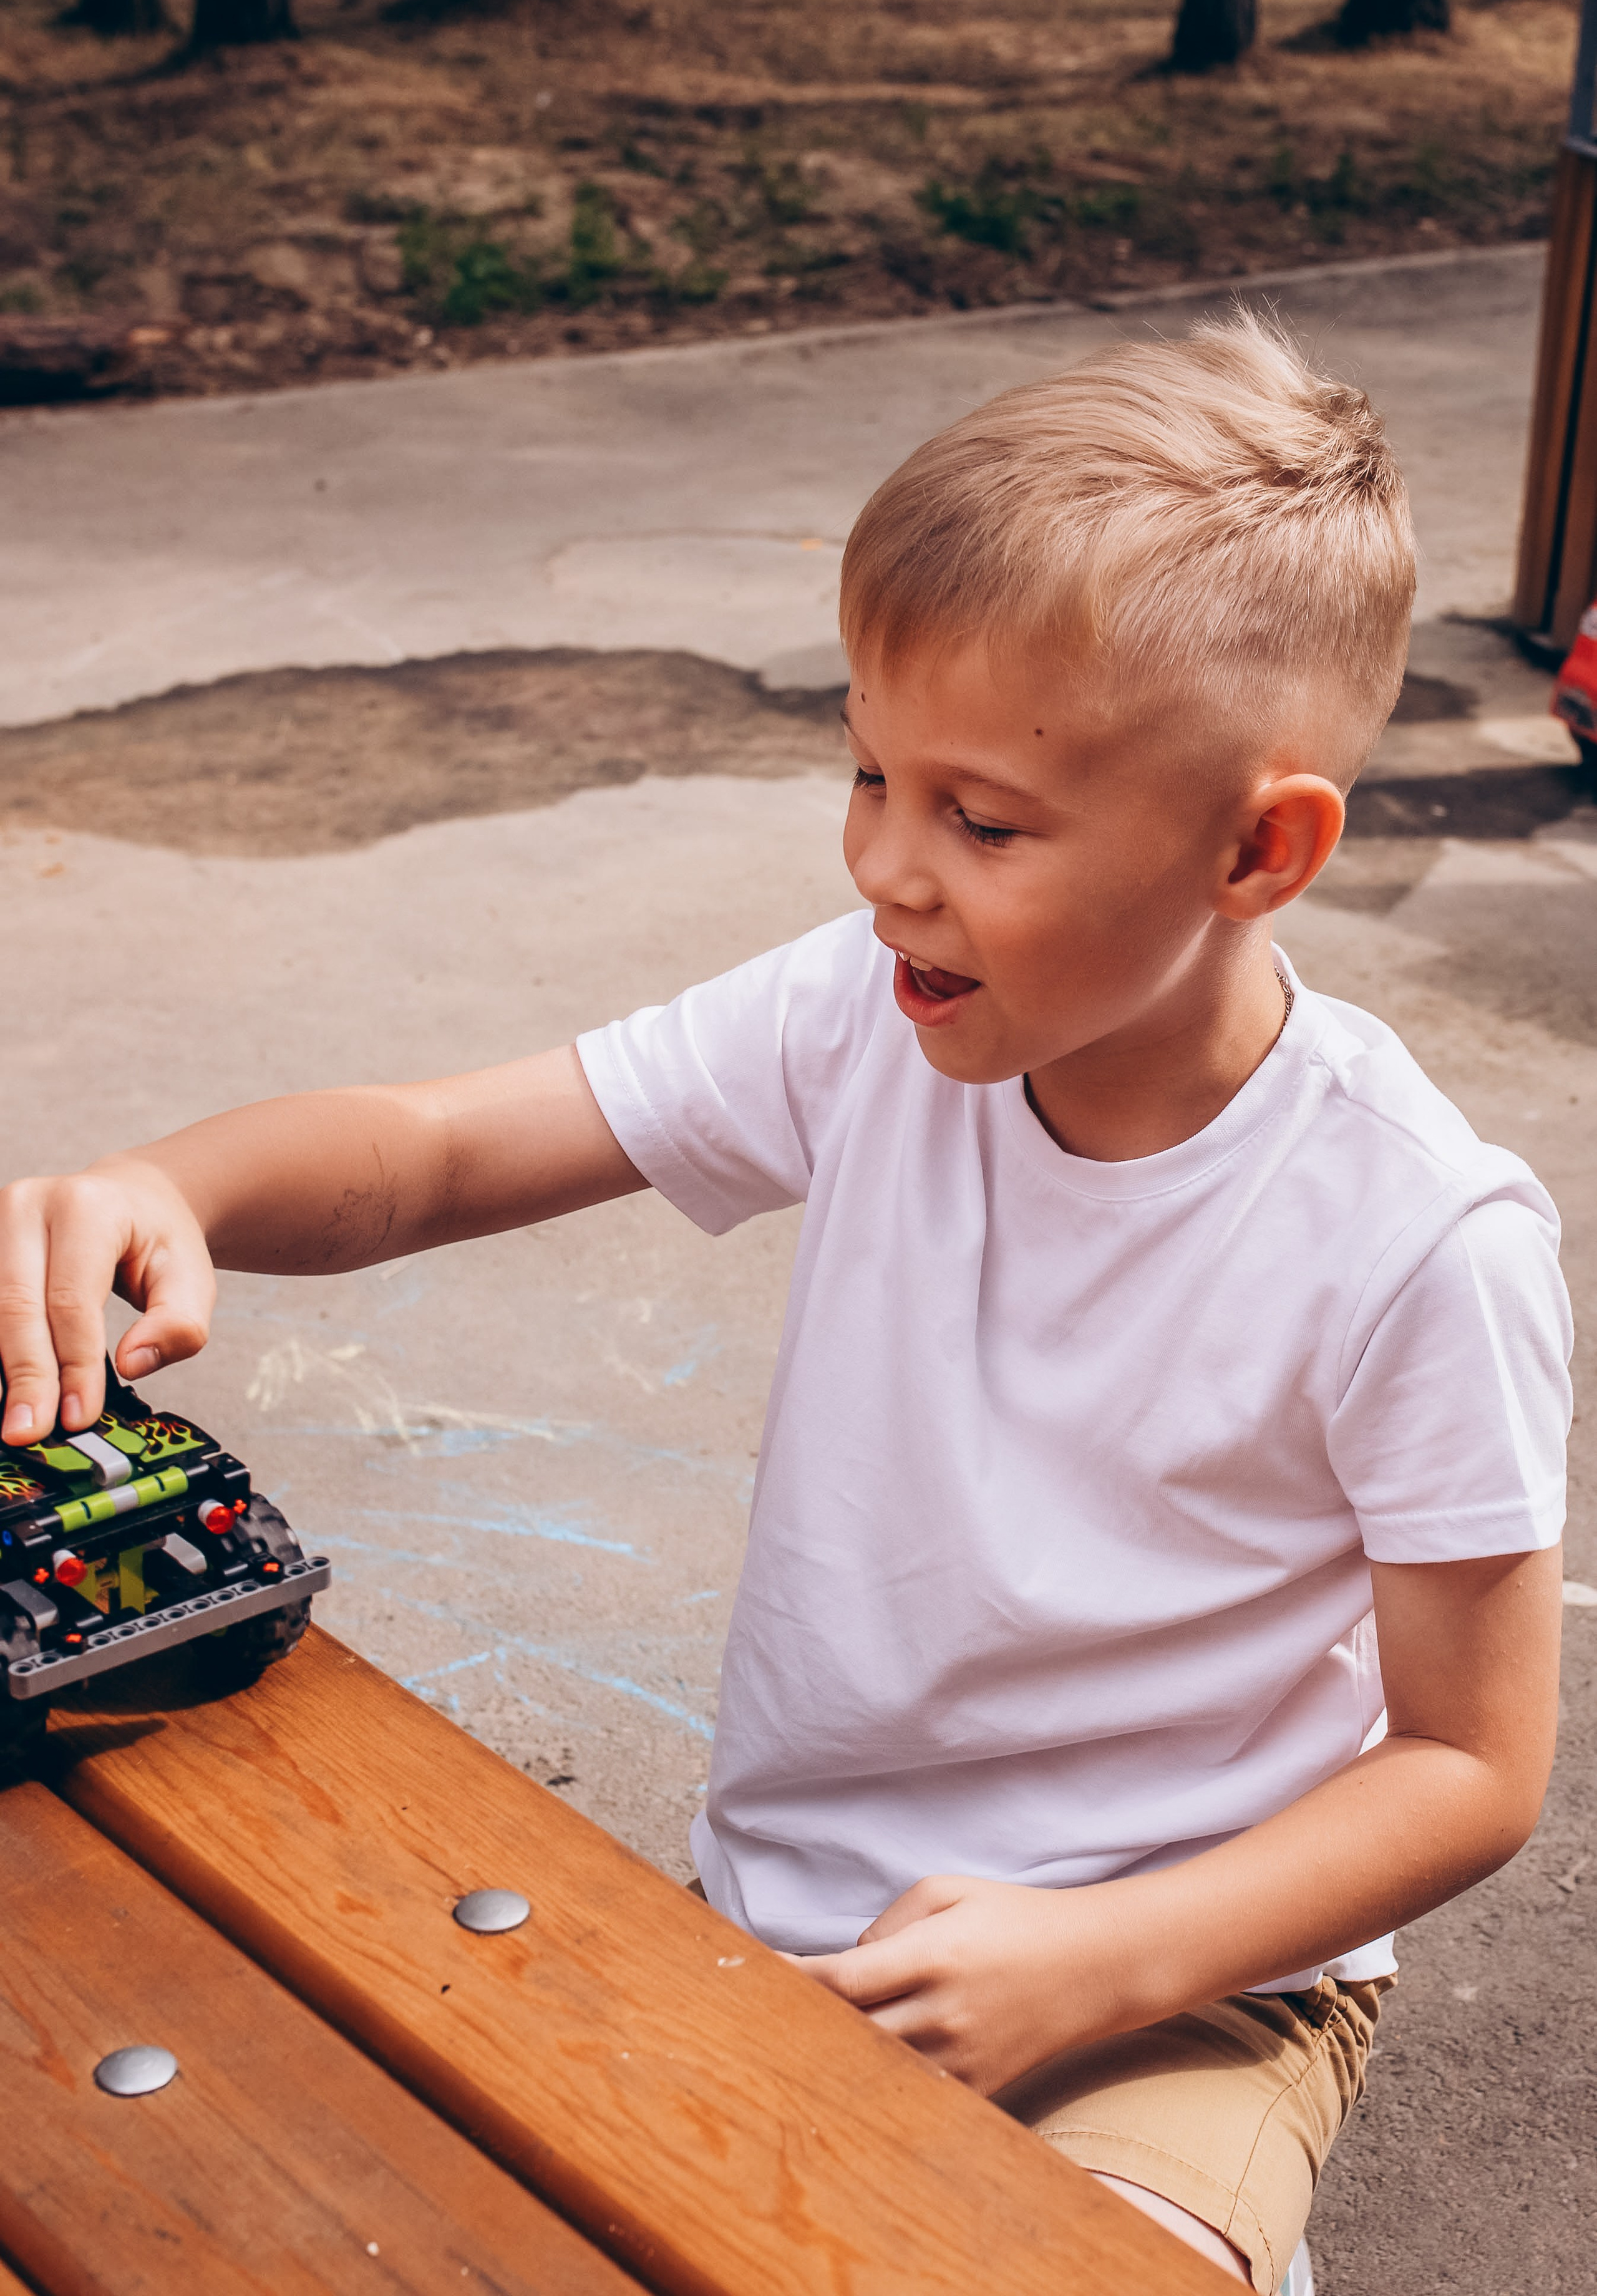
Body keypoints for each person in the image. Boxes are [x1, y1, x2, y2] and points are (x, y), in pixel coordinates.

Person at [0, 313, 1569, 2295]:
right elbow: (438, 1152)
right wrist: (175, 1181)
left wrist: (1103, 1958)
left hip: (1189, 1985)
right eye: (865, 771)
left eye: (982, 822)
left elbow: (1471, 1764)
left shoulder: (1422, 1237)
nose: (888, 870)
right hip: (785, 1920)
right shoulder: (863, 1015)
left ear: (1260, 848)